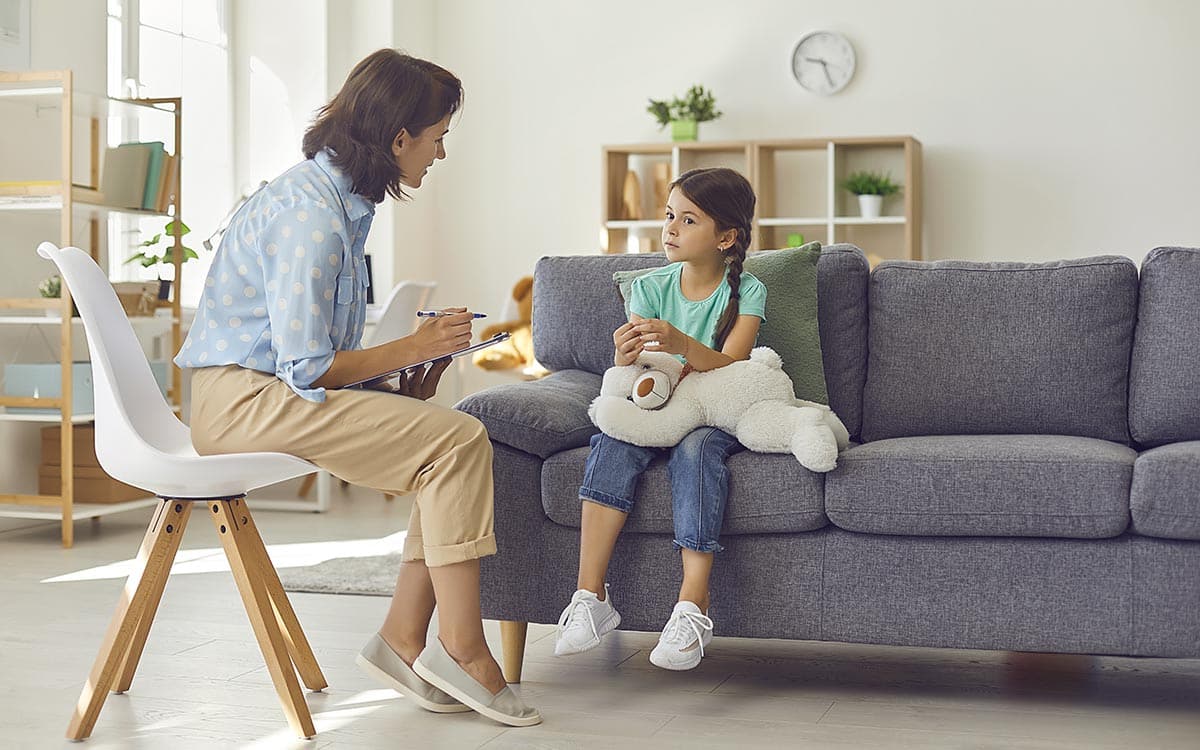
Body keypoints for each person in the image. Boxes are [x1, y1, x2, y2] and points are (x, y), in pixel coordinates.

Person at [176, 49, 539, 727]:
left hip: (264, 394)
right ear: (400, 138)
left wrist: (403, 378)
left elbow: (317, 359)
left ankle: (406, 640)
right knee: (460, 439)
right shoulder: (310, 217)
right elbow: (308, 367)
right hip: (240, 403)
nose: (437, 154)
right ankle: (459, 649)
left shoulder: (339, 205)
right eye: (437, 139)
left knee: (446, 444)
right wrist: (412, 346)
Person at [554, 167, 767, 671]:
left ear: (726, 237)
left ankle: (692, 606)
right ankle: (590, 597)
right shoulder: (648, 287)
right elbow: (641, 373)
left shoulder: (750, 291)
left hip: (712, 413)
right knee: (612, 439)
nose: (670, 228)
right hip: (658, 405)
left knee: (696, 451)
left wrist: (683, 344)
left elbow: (735, 364)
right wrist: (624, 355)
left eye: (688, 219)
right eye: (669, 215)